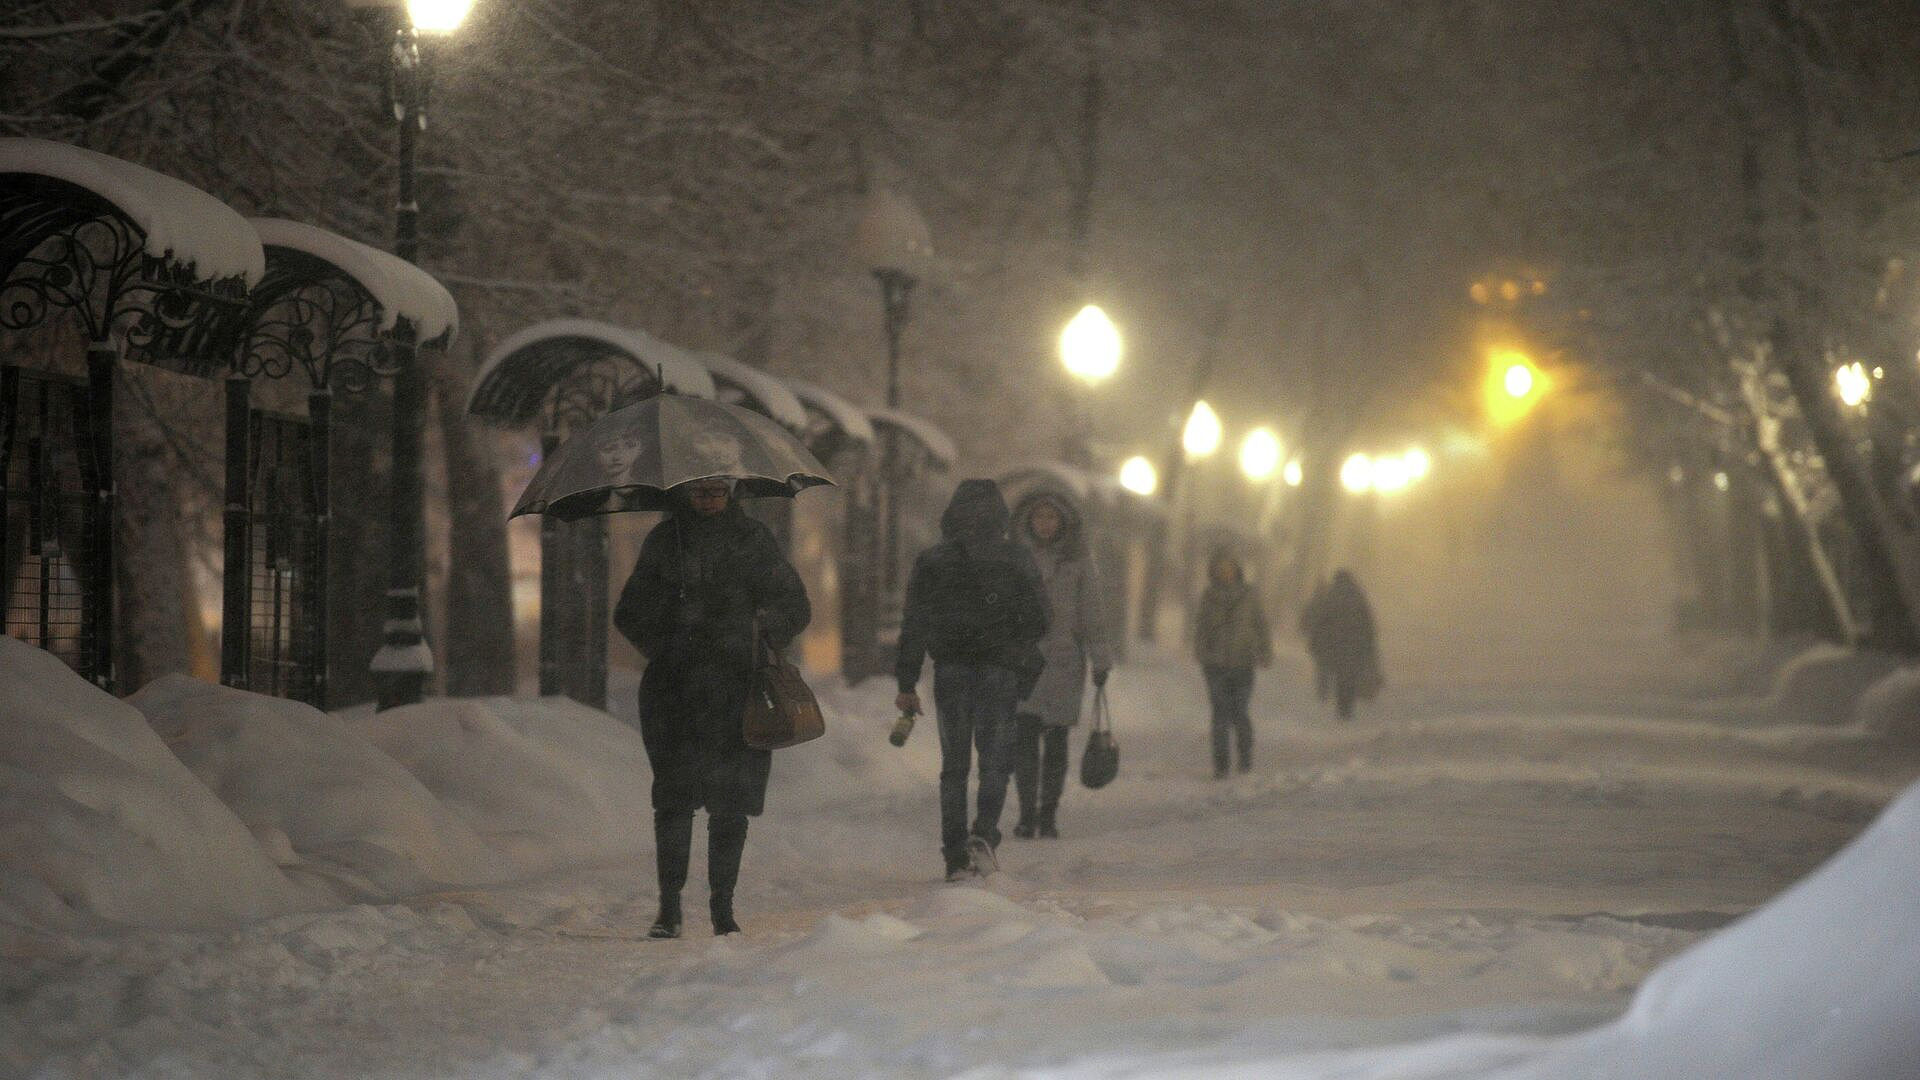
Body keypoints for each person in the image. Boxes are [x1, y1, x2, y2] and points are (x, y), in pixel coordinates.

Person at [614, 476, 811, 937]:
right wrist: (669, 635)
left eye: (717, 490)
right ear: (683, 492)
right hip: (674, 690)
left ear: (732, 492)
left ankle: (723, 907)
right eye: (699, 491)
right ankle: (670, 907)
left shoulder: (754, 540)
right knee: (674, 799)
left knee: (731, 802)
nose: (708, 500)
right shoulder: (665, 541)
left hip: (737, 688)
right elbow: (629, 611)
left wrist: (757, 629)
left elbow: (795, 606)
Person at [895, 479, 1050, 880]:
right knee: (995, 762)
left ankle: (953, 851)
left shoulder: (933, 560)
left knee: (955, 765)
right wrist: (1010, 637)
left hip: (951, 670)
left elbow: (913, 623)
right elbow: (1041, 618)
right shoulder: (1017, 558)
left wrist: (907, 681)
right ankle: (983, 837)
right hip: (999, 670)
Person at [1010, 491, 1112, 840]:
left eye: (1052, 518)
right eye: (1040, 517)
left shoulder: (1079, 561)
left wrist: (1100, 658)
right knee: (1024, 740)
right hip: (1026, 661)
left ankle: (1048, 813)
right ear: (1029, 520)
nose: (1046, 524)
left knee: (1055, 743)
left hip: (1065, 663)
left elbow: (1092, 613)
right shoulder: (1016, 558)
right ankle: (1026, 814)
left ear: (1063, 521)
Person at [1193, 548, 1272, 777]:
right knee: (1219, 714)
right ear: (1214, 572)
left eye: (1229, 569)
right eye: (1220, 569)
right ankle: (1221, 765)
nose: (1225, 573)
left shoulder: (1250, 596)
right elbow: (1201, 628)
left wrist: (1265, 652)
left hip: (1243, 663)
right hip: (1215, 665)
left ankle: (1245, 758)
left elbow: (1261, 625)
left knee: (1240, 712)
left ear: (1237, 571)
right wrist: (1201, 652)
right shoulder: (1208, 598)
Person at [1298, 568, 1381, 720]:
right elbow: (1367, 622)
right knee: (1349, 675)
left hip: (1335, 644)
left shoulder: (1331, 595)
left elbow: (1321, 619)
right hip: (1354, 644)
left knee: (1339, 675)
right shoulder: (1358, 597)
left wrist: (1316, 639)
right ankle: (1346, 708)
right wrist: (1369, 644)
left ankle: (1340, 706)